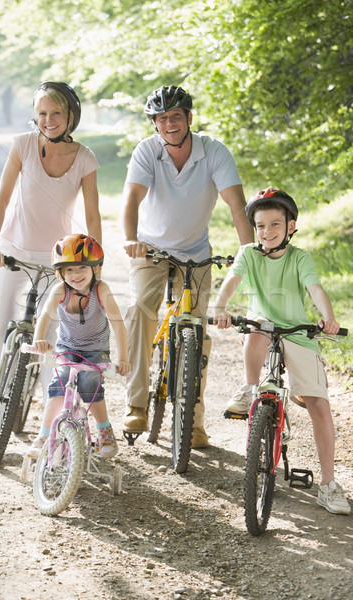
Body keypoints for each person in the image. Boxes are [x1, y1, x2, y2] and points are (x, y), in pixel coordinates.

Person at [122, 85, 253, 447]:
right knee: (139, 311)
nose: (169, 124)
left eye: (176, 117)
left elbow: (236, 205)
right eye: (162, 119)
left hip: (195, 252)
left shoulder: (213, 151)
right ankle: (136, 404)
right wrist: (132, 239)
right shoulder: (147, 151)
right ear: (155, 124)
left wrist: (249, 253)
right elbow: (132, 197)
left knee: (195, 329)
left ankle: (194, 422)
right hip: (151, 250)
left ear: (189, 118)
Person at [213, 187, 350, 514]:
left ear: (290, 226)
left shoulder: (299, 257)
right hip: (262, 329)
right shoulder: (248, 254)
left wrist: (327, 318)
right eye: (261, 226)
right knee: (259, 324)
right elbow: (232, 281)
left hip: (299, 334)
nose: (267, 232)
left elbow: (315, 289)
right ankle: (250, 389)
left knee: (318, 404)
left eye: (275, 224)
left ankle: (328, 485)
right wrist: (220, 306)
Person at [0, 81, 102, 423]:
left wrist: (94, 262)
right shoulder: (22, 145)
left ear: (71, 114)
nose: (48, 119)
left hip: (58, 261)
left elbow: (91, 215)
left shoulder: (84, 157)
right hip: (13, 251)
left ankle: (53, 412)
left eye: (56, 112)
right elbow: (2, 198)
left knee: (53, 337)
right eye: (42, 113)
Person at [25, 234, 131, 459]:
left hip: (96, 350)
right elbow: (45, 316)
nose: (76, 275)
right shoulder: (60, 291)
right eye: (69, 270)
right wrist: (39, 340)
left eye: (83, 267)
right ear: (60, 273)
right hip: (67, 348)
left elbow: (119, 326)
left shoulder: (101, 290)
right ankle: (44, 435)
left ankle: (104, 429)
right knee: (59, 382)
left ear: (96, 269)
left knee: (90, 382)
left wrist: (123, 358)